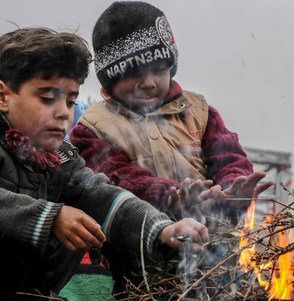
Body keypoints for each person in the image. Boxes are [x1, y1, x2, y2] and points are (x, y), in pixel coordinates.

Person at [0, 27, 208, 301]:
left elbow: (99, 194)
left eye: (70, 101)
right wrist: (48, 217)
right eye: (47, 99)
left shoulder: (58, 156)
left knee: (90, 220)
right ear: (2, 96)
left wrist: (161, 228)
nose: (63, 114)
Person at [70, 1, 272, 227]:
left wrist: (232, 186)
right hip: (138, 249)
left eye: (158, 70)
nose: (149, 83)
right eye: (134, 73)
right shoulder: (93, 129)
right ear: (111, 77)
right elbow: (117, 178)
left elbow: (229, 158)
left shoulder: (199, 112)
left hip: (212, 246)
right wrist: (169, 195)